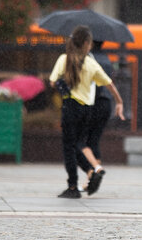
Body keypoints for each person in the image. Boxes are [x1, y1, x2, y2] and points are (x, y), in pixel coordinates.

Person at [50, 26, 124, 199]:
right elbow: (109, 84)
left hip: (70, 106)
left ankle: (73, 186)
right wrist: (119, 101)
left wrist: (63, 85)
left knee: (69, 147)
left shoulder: (64, 59)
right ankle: (93, 169)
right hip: (87, 109)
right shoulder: (91, 63)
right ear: (85, 44)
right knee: (78, 144)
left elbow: (53, 82)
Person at [82, 40, 115, 171]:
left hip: (93, 102)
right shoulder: (106, 59)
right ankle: (96, 170)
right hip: (106, 102)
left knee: (81, 141)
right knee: (94, 140)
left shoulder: (90, 58)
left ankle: (93, 171)